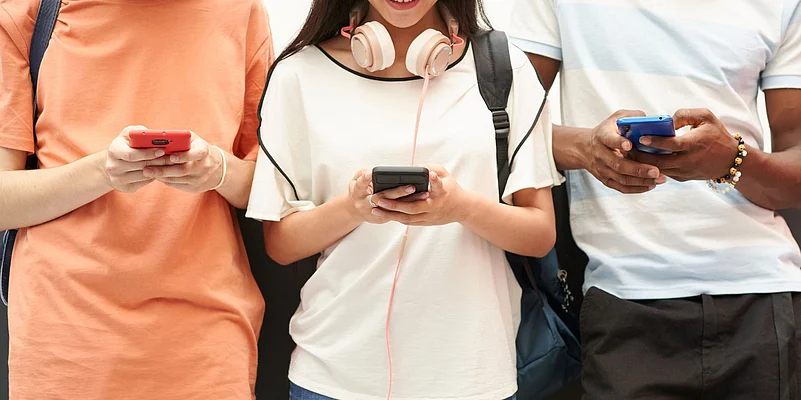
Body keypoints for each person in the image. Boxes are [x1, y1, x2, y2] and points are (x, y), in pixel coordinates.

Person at [246, 0, 563, 398]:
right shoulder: (298, 74)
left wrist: (461, 207)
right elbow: (281, 243)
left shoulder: (504, 68)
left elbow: (539, 234)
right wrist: (352, 208)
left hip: (473, 379)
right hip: (332, 377)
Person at [509, 0, 801, 398]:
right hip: (624, 301)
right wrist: (587, 149)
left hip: (763, 298)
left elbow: (793, 177)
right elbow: (504, 127)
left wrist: (733, 159)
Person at [0, 0, 273, 398]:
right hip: (64, 341)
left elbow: (270, 192)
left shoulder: (242, 11)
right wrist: (102, 172)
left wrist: (217, 170)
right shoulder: (28, 10)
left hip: (205, 342)